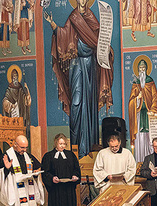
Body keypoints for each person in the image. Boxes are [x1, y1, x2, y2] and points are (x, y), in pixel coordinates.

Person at [45, 0, 114, 158]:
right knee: (76, 102)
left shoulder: (91, 17)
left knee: (89, 102)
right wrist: (54, 25)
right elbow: (64, 35)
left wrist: (105, 48)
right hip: (76, 64)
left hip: (90, 66)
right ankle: (76, 146)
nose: (82, 1)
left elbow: (99, 39)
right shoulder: (73, 17)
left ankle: (89, 147)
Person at [41, 133, 81, 206]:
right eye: (60, 143)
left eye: (64, 144)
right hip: (56, 191)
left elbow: (76, 169)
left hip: (68, 189)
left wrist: (75, 176)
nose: (62, 146)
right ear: (56, 143)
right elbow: (45, 172)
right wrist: (52, 178)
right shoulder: (48, 156)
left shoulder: (70, 155)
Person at [128, 59, 157, 162]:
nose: (142, 70)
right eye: (140, 68)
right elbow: (130, 101)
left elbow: (155, 97)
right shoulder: (136, 83)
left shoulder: (150, 81)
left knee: (149, 140)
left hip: (148, 116)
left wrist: (153, 110)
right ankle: (139, 162)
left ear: (146, 69)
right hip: (138, 117)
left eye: (144, 68)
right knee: (140, 140)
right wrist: (137, 98)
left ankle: (150, 163)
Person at [2, 67, 32, 140]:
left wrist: (27, 90)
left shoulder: (20, 88)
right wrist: (10, 105)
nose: (15, 78)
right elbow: (5, 100)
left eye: (16, 76)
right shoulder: (9, 89)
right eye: (14, 77)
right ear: (11, 78)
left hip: (20, 113)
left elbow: (26, 101)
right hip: (12, 113)